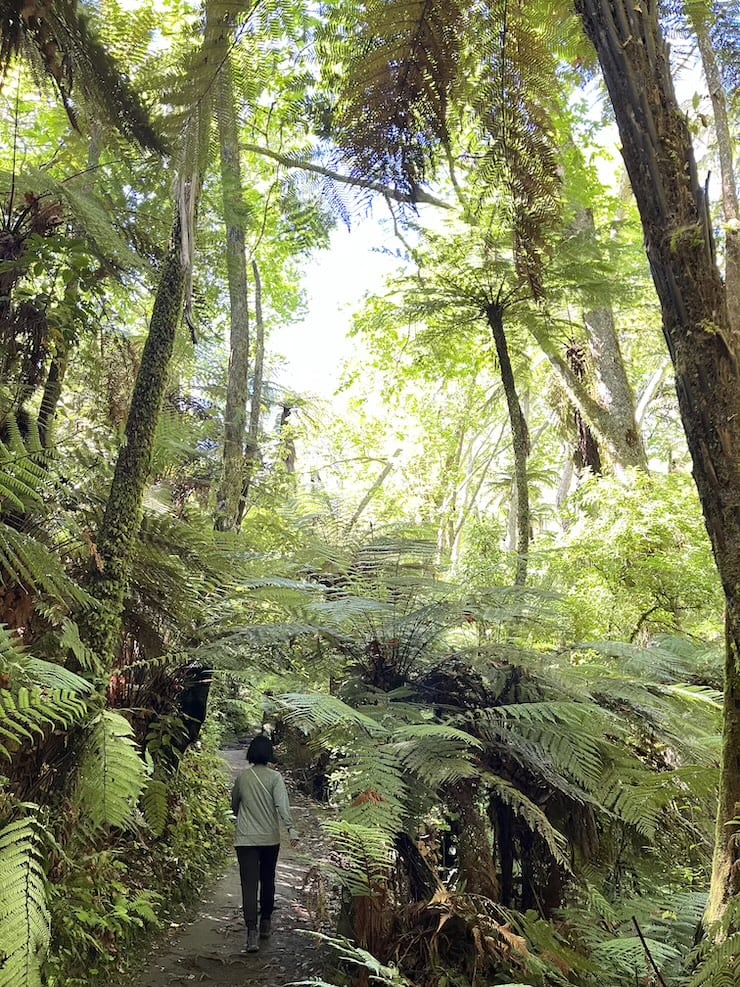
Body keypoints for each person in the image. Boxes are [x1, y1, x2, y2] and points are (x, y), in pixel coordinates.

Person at [231, 734, 299, 953]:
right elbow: (282, 806)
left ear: (251, 753)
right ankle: (266, 924)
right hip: (269, 839)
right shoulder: (275, 778)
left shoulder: (242, 778)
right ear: (269, 754)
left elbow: (234, 805)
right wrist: (291, 829)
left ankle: (251, 934)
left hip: (245, 840)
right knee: (267, 880)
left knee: (248, 885)